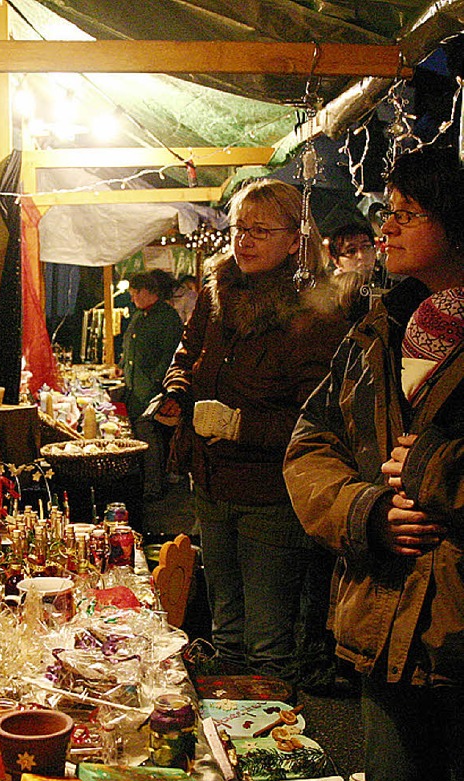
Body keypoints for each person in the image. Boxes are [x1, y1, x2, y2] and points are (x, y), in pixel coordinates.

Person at [283, 145, 464, 781]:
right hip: (385, 618)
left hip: (458, 627)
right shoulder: (378, 330)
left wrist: (433, 469)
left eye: (408, 214)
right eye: (388, 211)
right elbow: (311, 446)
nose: (385, 228)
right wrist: (366, 511)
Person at [157, 179, 347, 682]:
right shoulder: (218, 291)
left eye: (261, 230)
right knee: (227, 631)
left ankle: (274, 748)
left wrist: (242, 425)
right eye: (241, 228)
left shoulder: (314, 310)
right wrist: (177, 391)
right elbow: (187, 351)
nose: (245, 240)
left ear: (295, 239)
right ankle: (230, 738)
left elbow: (320, 420)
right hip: (211, 482)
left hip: (270, 495)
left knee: (266, 642)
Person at [118, 270, 183, 501]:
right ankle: (145, 484)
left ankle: (154, 487)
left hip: (152, 391)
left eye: (136, 292)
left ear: (149, 292)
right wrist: (121, 366)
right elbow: (129, 348)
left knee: (150, 438)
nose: (133, 296)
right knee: (142, 436)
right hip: (135, 389)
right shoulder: (139, 316)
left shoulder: (168, 318)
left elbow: (169, 356)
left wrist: (157, 383)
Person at [327, 222, 382, 321]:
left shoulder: (384, 281)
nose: (361, 256)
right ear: (336, 261)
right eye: (351, 251)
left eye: (366, 247)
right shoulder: (330, 294)